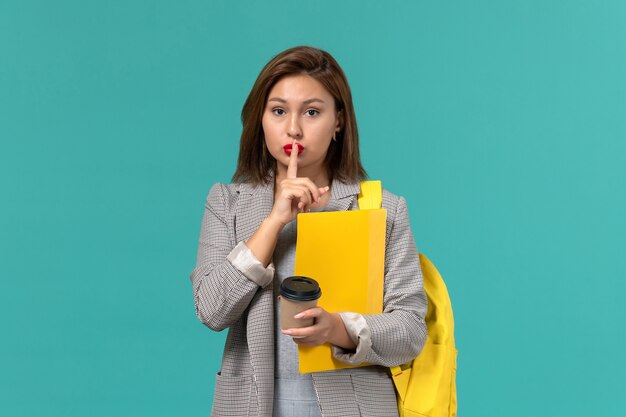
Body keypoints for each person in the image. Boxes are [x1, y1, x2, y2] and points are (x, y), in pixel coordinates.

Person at [190, 46, 428, 417]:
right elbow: (211, 310)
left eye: (312, 112)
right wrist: (273, 222)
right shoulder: (227, 202)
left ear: (339, 122)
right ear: (261, 119)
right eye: (279, 110)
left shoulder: (383, 208)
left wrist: (337, 328)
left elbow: (410, 330)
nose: (294, 128)